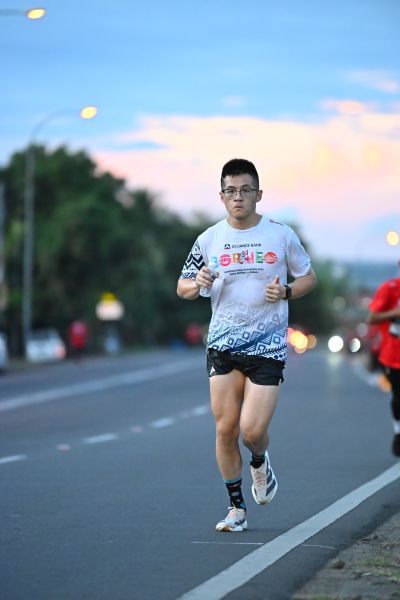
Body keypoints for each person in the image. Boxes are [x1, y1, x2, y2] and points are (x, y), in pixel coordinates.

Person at [177, 158, 317, 531]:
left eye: (245, 190)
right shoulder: (209, 239)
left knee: (252, 431)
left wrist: (287, 291)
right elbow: (183, 287)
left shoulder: (280, 234)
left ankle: (259, 460)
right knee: (225, 428)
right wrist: (198, 282)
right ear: (221, 196)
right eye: (231, 191)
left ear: (258, 194)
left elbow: (308, 277)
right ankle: (236, 509)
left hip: (267, 347)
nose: (238, 197)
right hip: (222, 345)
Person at [368, 268, 400, 457]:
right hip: (394, 355)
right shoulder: (390, 288)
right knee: (398, 398)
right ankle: (398, 431)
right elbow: (372, 318)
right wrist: (395, 312)